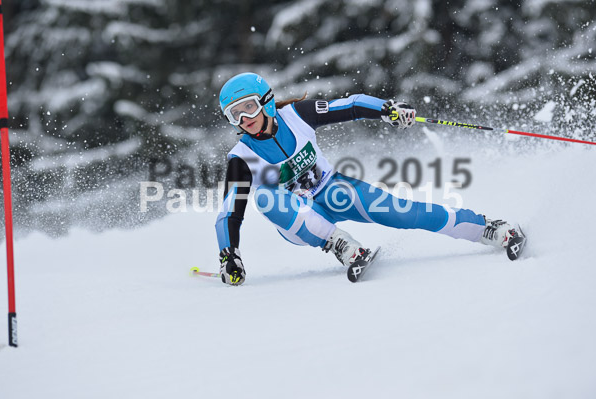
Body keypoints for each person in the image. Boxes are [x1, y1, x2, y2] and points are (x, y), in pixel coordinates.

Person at [215, 72, 526, 285]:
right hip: (299, 218)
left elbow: (350, 105)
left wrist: (387, 110)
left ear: (266, 101)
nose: (245, 120)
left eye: (249, 108)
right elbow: (229, 212)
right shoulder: (241, 157)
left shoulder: (297, 115)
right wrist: (230, 255)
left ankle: (488, 229)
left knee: (402, 211)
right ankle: (342, 246)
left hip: (334, 190)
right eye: (234, 115)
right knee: (265, 197)